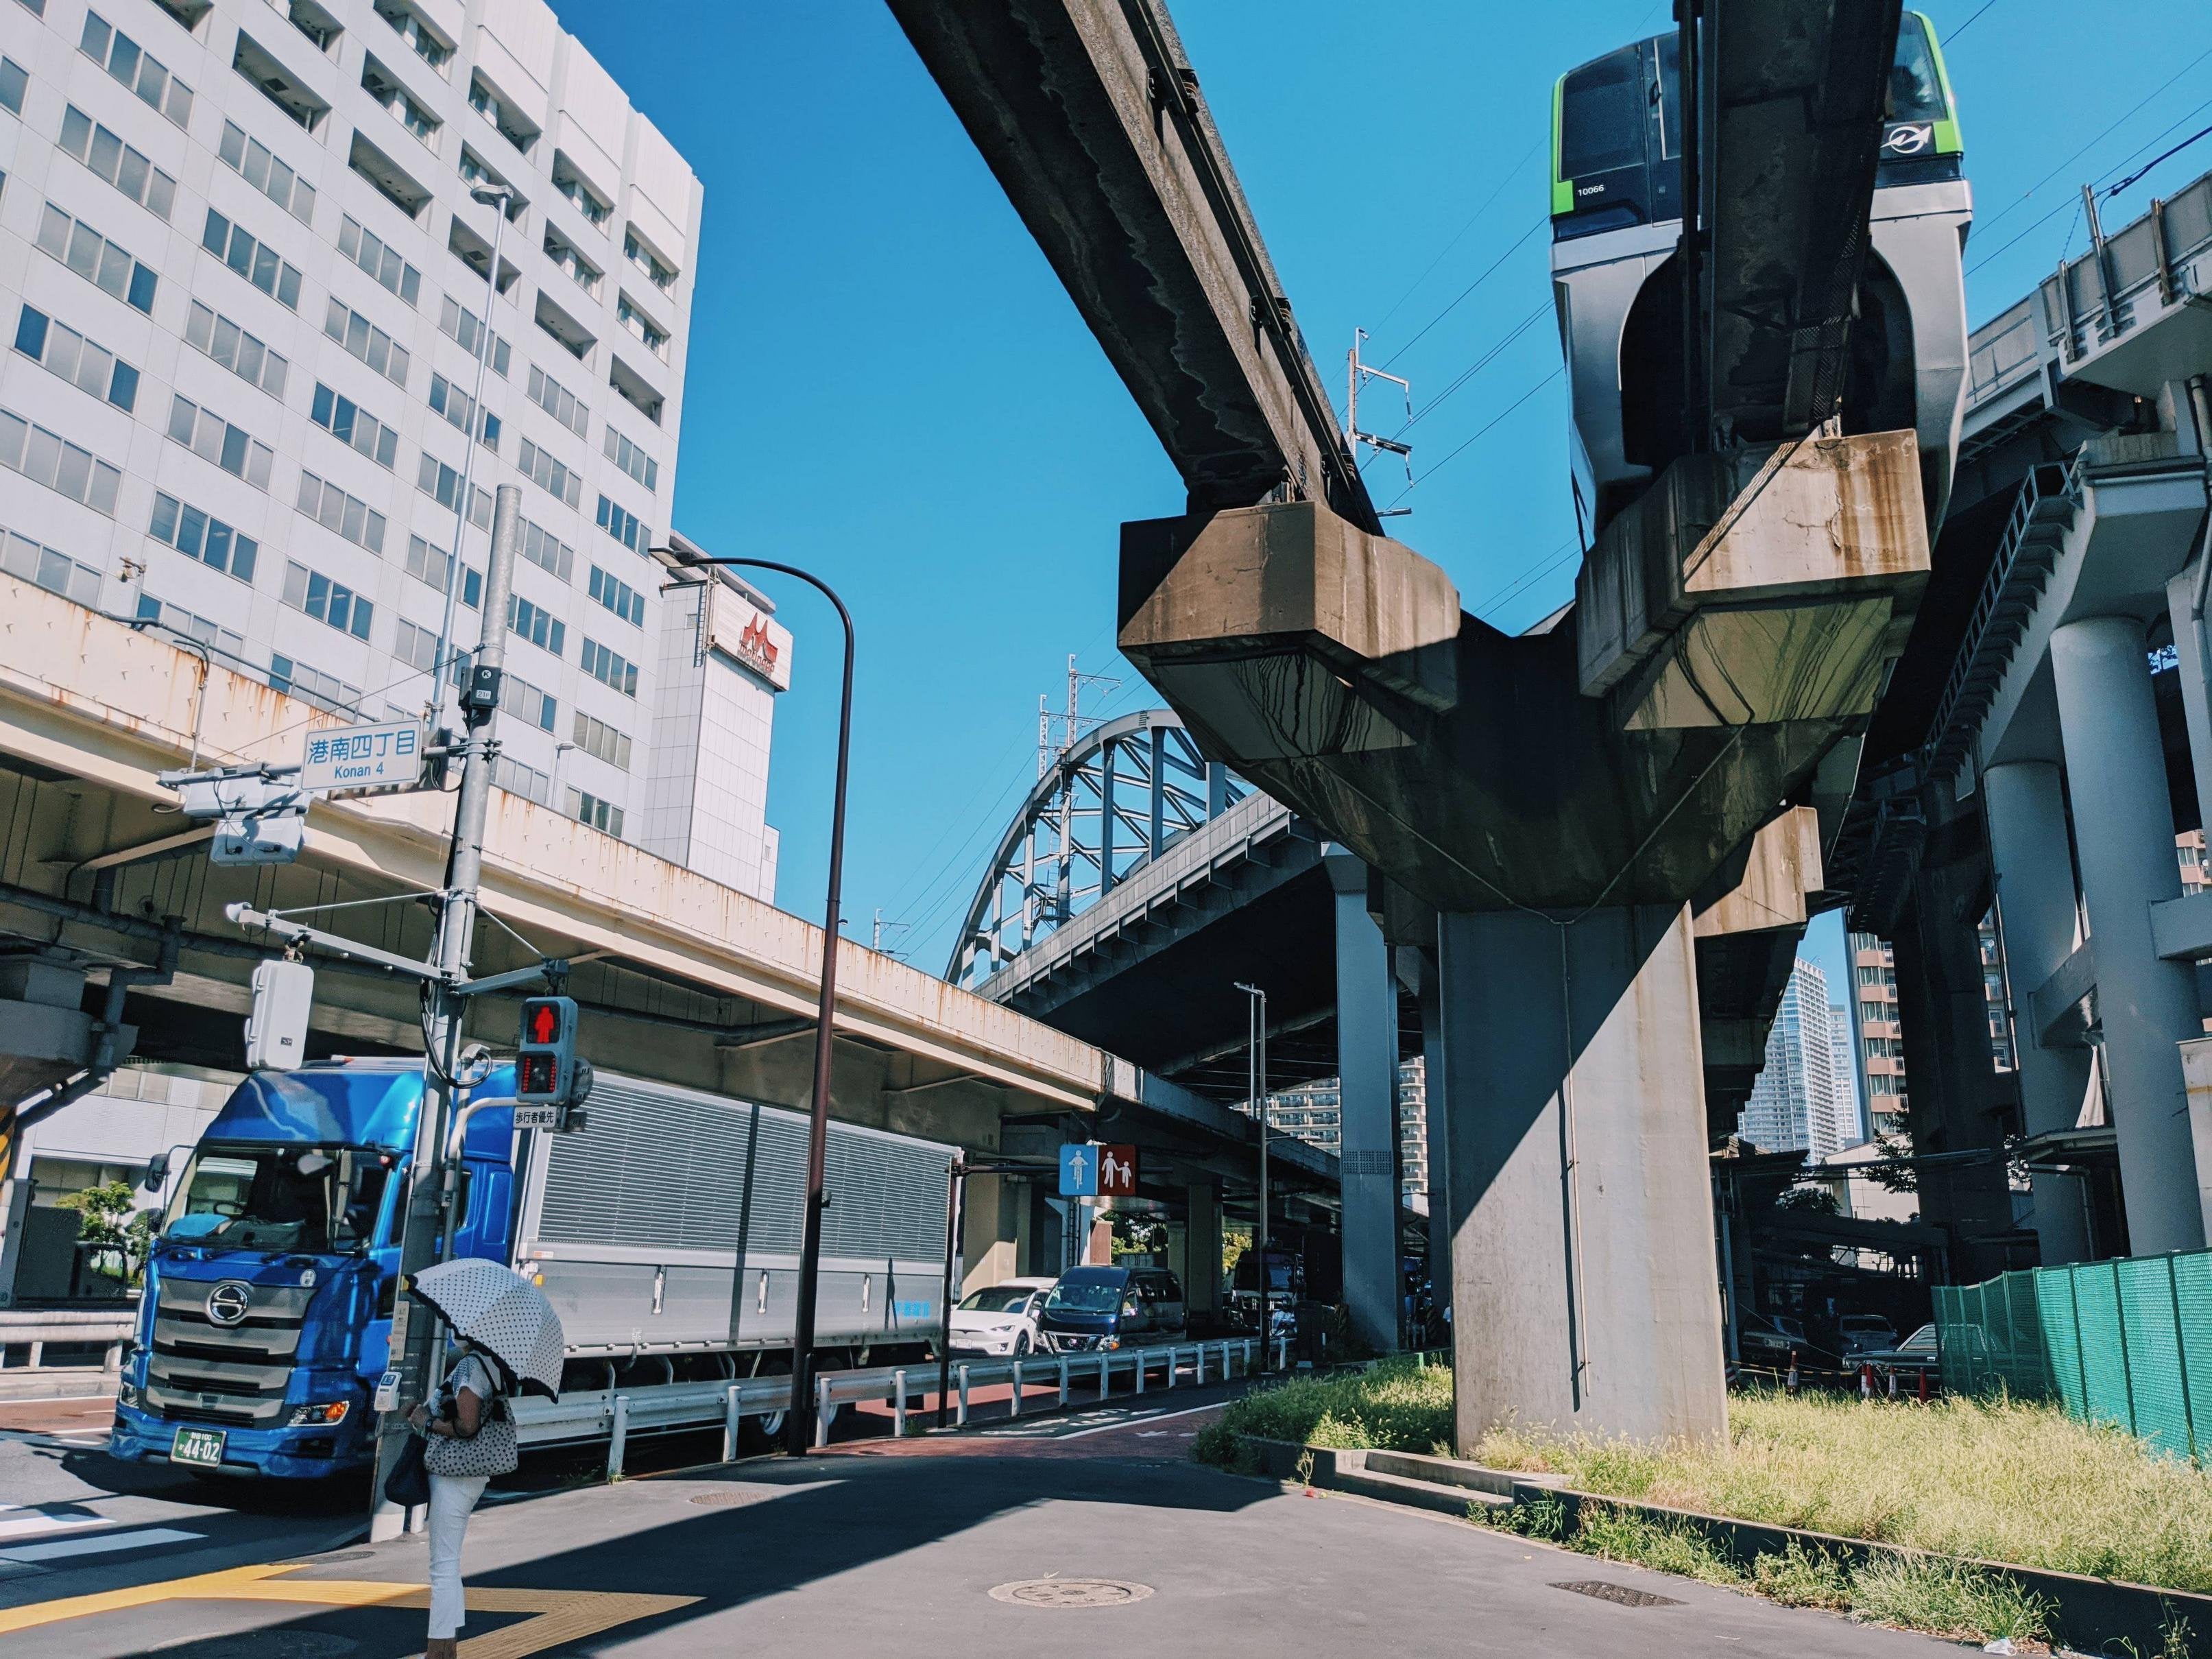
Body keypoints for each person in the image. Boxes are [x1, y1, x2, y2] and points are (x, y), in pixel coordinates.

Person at [407, 1341, 507, 1658]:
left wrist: (425, 1421)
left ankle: (437, 1653)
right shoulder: (492, 1365)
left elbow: (467, 1426)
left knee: (443, 1567)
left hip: (454, 1475)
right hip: (471, 1474)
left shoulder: (470, 1367)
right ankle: (447, 1649)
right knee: (448, 1564)